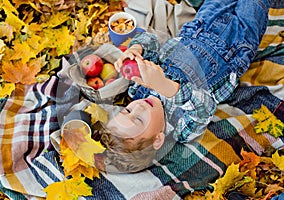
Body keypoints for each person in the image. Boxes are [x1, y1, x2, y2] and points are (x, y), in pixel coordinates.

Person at [67, 0, 271, 173]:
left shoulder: (138, 89)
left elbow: (152, 40)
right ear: (158, 139)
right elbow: (203, 106)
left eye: (127, 110)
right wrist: (163, 85)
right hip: (235, 44)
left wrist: (136, 49)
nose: (137, 107)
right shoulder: (182, 128)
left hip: (199, 26)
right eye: (138, 119)